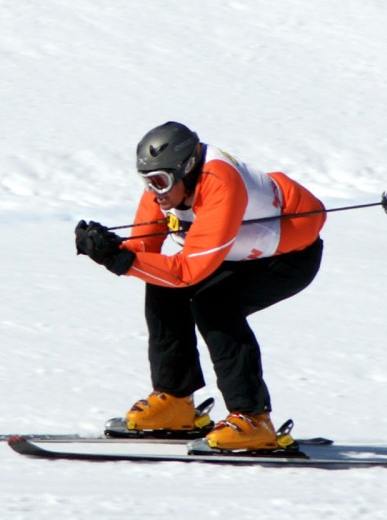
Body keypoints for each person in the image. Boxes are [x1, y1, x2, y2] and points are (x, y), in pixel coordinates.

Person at [74, 121, 326, 451]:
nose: (155, 192)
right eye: (148, 182)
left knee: (216, 305)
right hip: (237, 251)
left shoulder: (220, 183)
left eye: (160, 182)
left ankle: (253, 420)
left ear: (187, 169)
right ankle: (175, 401)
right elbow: (143, 253)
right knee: (161, 284)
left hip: (290, 256)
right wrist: (108, 249)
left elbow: (187, 271)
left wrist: (119, 260)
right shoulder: (165, 190)